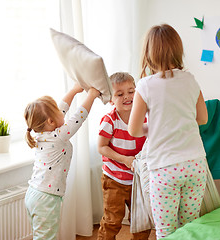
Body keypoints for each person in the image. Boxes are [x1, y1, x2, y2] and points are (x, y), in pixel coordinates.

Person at [127, 24, 208, 239]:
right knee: (189, 226)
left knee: (166, 231)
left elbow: (134, 130)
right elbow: (203, 118)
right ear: (178, 50)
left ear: (148, 53)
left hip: (165, 169)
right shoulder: (191, 80)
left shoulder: (145, 85)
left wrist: (153, 128)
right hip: (195, 164)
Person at [24, 83, 100, 240]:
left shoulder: (41, 134)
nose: (62, 113)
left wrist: (74, 90)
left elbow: (61, 109)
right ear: (51, 121)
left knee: (41, 236)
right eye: (58, 112)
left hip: (34, 193)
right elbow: (78, 118)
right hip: (47, 198)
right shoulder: (58, 137)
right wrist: (91, 95)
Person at [97, 72, 152, 240]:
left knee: (142, 221)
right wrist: (125, 160)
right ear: (111, 100)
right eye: (120, 94)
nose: (127, 97)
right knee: (112, 221)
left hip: (139, 178)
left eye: (131, 91)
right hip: (115, 178)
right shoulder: (110, 120)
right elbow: (101, 147)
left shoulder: (146, 116)